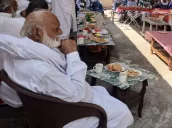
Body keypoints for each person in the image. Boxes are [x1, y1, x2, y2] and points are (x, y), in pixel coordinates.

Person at [0, 10, 134, 128]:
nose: (61, 32)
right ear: (37, 32)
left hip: (51, 103)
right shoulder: (40, 70)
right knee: (122, 112)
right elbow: (77, 93)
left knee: (102, 91)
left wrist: (55, 51)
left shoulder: (20, 50)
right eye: (55, 29)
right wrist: (72, 54)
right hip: (65, 114)